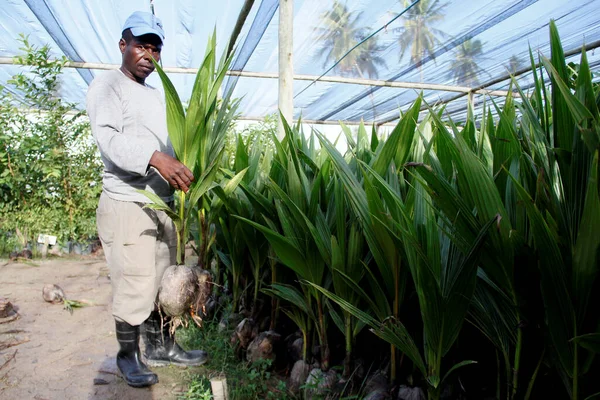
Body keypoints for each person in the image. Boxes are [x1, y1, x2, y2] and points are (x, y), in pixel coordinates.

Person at [86, 11, 207, 388]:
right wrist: (157, 159)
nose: (148, 54)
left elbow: (171, 146)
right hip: (128, 201)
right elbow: (109, 140)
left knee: (161, 281)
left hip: (161, 204)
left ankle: (162, 346)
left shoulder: (157, 96)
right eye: (141, 45)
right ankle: (128, 356)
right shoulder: (106, 86)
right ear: (123, 45)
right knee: (134, 281)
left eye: (155, 48)